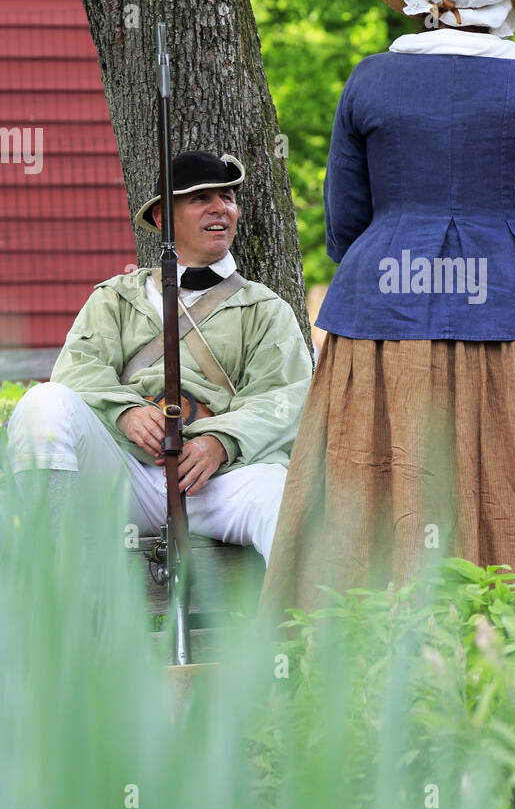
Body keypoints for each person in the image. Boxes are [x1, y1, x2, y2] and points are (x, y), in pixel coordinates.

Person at [259, 0, 515, 621]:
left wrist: (385, 270)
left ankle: (372, 635)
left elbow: (346, 219)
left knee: (387, 469)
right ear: (497, 0)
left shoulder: (369, 80)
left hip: (389, 298)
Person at [7, 151, 312, 563]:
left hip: (219, 481)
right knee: (42, 404)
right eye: (200, 198)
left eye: (227, 197)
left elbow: (285, 400)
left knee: (285, 504)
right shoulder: (115, 298)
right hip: (123, 476)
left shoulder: (266, 309)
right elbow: (77, 371)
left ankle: (299, 628)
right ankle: (56, 582)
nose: (220, 207)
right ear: (162, 219)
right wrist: (126, 413)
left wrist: (221, 441)